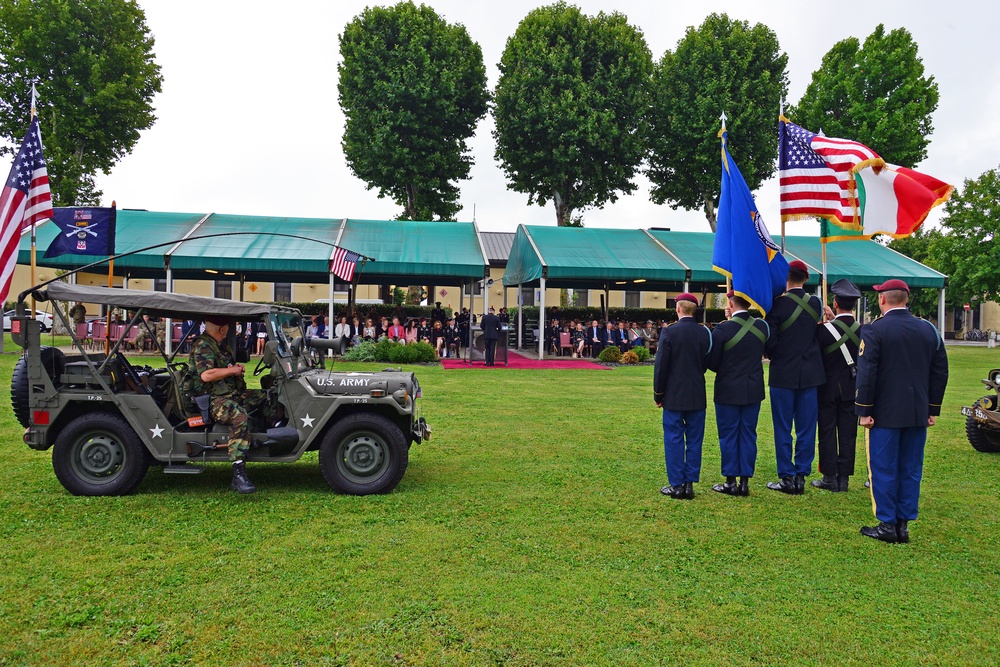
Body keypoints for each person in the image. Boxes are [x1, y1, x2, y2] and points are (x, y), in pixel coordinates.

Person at [856, 279, 948, 544]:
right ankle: (903, 524)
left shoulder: (875, 330)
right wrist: (931, 409)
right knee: (910, 468)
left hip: (883, 413)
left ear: (882, 299)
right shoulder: (928, 330)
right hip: (917, 411)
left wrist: (864, 410)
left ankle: (887, 524)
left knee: (884, 467)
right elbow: (939, 371)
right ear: (906, 299)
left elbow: (867, 373)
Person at [189, 316, 279, 494]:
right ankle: (239, 473)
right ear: (222, 329)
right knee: (240, 417)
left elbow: (223, 369)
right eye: (229, 327)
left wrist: (234, 370)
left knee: (267, 396)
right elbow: (206, 375)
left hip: (231, 394)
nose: (230, 330)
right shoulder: (203, 346)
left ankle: (276, 432)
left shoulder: (220, 346)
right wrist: (232, 370)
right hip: (212, 400)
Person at [765, 260, 826, 495]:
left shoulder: (776, 305)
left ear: (785, 277)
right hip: (811, 374)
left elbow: (770, 342)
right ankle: (801, 475)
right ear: (806, 279)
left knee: (783, 428)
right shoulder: (816, 303)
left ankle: (787, 477)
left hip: (783, 373)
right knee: (807, 428)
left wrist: (775, 353)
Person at [707, 292, 770, 496]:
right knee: (748, 434)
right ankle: (744, 481)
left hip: (727, 389)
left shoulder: (722, 329)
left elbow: (713, 363)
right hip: (753, 388)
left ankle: (730, 481)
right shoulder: (762, 327)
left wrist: (728, 323)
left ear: (731, 304)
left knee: (728, 435)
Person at [654, 293, 712, 500]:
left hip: (674, 393)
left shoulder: (669, 332)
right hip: (697, 392)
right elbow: (707, 361)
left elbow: (661, 366)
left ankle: (677, 484)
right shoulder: (705, 332)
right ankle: (689, 484)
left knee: (674, 439)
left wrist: (658, 394)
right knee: (695, 440)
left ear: (678, 309)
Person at [813, 279, 863, 493]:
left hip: (827, 388)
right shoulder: (864, 330)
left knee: (826, 432)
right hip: (853, 388)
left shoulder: (823, 330)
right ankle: (844, 478)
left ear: (835, 303)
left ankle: (829, 477)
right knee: (848, 433)